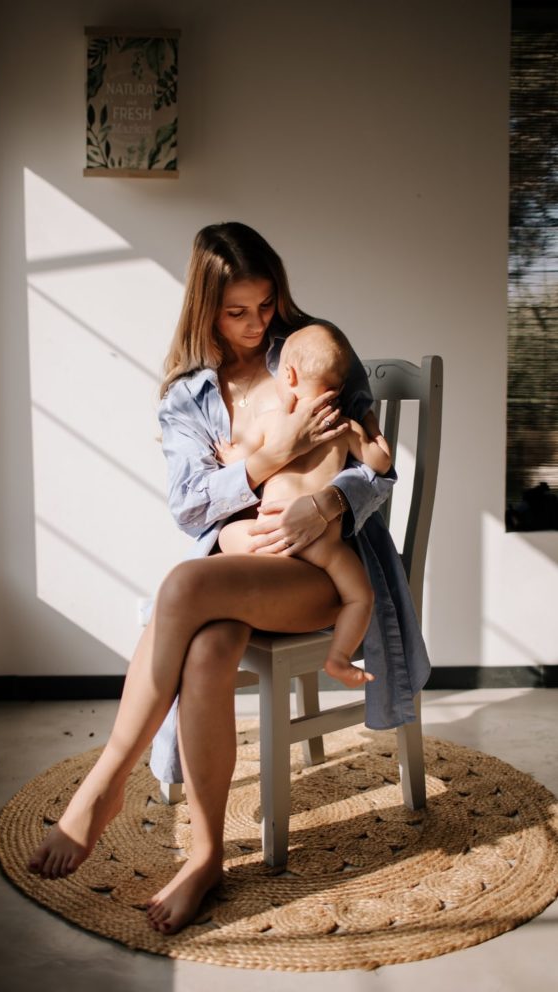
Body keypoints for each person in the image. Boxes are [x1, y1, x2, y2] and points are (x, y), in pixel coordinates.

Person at [28, 223, 429, 938]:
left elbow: (377, 467)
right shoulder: (189, 397)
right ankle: (208, 853)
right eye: (234, 312)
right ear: (204, 308)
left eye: (264, 306)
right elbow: (189, 506)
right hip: (239, 572)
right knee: (208, 646)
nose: (253, 327)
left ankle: (107, 782)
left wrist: (327, 501)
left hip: (326, 575)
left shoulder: (315, 355)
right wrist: (266, 457)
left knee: (183, 586)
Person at [216, 322, 392, 687]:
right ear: (340, 386)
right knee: (360, 597)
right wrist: (372, 428)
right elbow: (380, 464)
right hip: (324, 547)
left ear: (289, 374)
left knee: (228, 535)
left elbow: (239, 462)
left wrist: (228, 452)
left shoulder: (273, 422)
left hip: (269, 538)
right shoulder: (345, 426)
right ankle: (340, 659)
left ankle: (246, 570)